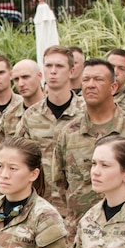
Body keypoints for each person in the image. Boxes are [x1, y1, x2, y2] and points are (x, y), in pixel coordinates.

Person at [52, 58, 125, 245]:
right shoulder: (68, 132)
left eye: (98, 79)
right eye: (86, 80)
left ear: (113, 87)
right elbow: (59, 183)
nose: (90, 85)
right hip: (80, 235)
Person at [16, 45, 84, 218]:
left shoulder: (86, 114)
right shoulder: (30, 116)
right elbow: (19, 160)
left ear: (71, 71)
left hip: (78, 208)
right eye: (48, 66)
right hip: (40, 208)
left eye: (59, 66)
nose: (53, 71)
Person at [0, 59, 45, 149]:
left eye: (26, 77)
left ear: (39, 76)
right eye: (16, 79)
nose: (21, 84)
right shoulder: (8, 117)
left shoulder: (53, 110)